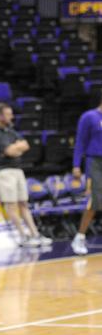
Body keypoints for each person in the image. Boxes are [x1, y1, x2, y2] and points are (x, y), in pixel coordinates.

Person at [0, 102, 51, 248]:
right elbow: (10, 152)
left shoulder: (10, 130)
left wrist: (15, 148)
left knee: (23, 203)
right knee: (12, 204)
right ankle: (23, 236)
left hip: (17, 169)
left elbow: (26, 145)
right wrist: (15, 148)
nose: (12, 117)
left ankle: (35, 234)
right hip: (3, 171)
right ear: (0, 115)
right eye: (9, 114)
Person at [71, 93, 102, 255]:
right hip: (95, 162)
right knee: (95, 201)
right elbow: (80, 141)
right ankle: (80, 236)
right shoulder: (89, 116)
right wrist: (76, 165)